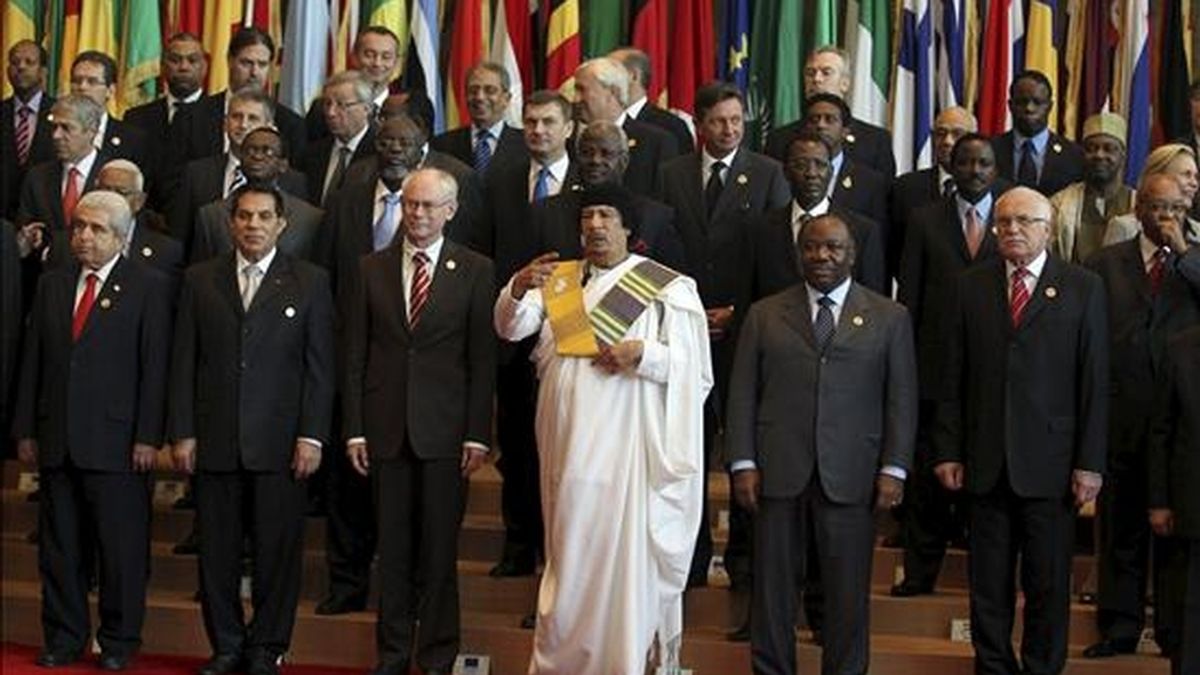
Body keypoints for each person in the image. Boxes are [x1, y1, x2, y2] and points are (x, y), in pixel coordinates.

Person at [495, 184, 711, 674]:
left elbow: (696, 371)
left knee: (620, 558)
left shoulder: (667, 289)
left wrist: (645, 354)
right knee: (570, 555)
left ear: (627, 227)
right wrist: (518, 286)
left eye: (606, 215)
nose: (595, 225)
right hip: (564, 444)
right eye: (588, 215)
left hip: (626, 450)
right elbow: (510, 329)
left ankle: (621, 661)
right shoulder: (560, 282)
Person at [727, 213, 917, 675]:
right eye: (812, 247)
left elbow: (901, 397)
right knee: (772, 591)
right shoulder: (765, 313)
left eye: (833, 248)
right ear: (798, 253)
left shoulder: (889, 317)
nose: (822, 256)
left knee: (847, 592)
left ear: (852, 254)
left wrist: (894, 468)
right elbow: (743, 392)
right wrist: (742, 462)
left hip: (853, 472)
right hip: (777, 469)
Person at [933, 186, 1108, 675]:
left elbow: (1094, 380)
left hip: (1052, 466)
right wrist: (948, 449)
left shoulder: (1082, 286)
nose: (1010, 230)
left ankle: (1042, 668)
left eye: (1023, 222)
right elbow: (952, 375)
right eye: (1003, 222)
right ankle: (992, 667)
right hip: (986, 461)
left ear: (1047, 229)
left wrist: (1090, 463)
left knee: (1048, 584)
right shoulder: (971, 285)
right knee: (987, 585)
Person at [169, 183, 334, 675]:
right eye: (244, 216)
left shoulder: (310, 280)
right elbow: (183, 362)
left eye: (264, 217)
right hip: (214, 439)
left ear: (282, 224)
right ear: (230, 222)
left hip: (282, 445)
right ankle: (225, 645)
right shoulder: (200, 279)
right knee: (216, 555)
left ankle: (267, 647)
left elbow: (319, 369)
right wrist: (182, 431)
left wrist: (312, 436)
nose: (253, 225)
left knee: (277, 556)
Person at [342, 168, 495, 675]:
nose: (419, 215)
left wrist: (477, 432)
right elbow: (355, 355)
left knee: (438, 556)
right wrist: (356, 428)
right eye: (411, 205)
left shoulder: (475, 269)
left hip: (447, 435)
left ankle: (435, 656)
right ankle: (390, 657)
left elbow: (481, 361)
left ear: (451, 210)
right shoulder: (369, 268)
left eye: (430, 206)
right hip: (384, 431)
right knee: (394, 553)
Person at [12, 190, 172, 671]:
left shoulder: (149, 286)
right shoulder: (53, 285)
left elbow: (156, 366)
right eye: (79, 226)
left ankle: (119, 641)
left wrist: (148, 435)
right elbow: (33, 361)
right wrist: (25, 428)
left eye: (97, 229)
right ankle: (64, 636)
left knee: (120, 550)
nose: (83, 236)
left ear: (122, 237)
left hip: (119, 443)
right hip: (57, 437)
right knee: (60, 549)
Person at [658, 81, 789, 595]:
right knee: (686, 450)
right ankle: (689, 559)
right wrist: (688, 311)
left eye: (737, 121)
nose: (730, 129)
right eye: (719, 121)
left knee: (742, 447)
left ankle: (744, 563)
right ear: (699, 123)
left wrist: (738, 312)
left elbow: (777, 255)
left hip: (745, 332)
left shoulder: (768, 173)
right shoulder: (671, 175)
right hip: (683, 333)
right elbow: (658, 247)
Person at [1084, 173, 1200, 660]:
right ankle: (1119, 626)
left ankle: (1174, 631)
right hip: (1123, 416)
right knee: (1122, 528)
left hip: (1181, 424)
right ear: (1138, 209)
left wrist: (1186, 252)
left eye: (1174, 207)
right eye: (1156, 207)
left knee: (1178, 537)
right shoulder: (1105, 264)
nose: (1165, 216)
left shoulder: (1195, 263)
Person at [893, 133, 1005, 597]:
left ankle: (989, 579)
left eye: (984, 163)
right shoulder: (925, 220)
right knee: (926, 483)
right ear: (951, 167)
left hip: (995, 373)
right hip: (935, 370)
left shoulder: (1013, 217)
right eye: (966, 162)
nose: (975, 171)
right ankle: (920, 574)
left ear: (995, 170)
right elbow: (911, 300)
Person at [479, 90, 576, 579]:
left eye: (548, 123)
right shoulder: (499, 180)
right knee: (516, 448)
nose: (538, 131)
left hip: (570, 342)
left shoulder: (587, 184)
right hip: (512, 334)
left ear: (568, 128)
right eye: (531, 123)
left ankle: (562, 554)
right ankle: (519, 545)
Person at [751, 130, 887, 299]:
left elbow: (872, 303)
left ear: (831, 171)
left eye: (820, 165)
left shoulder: (862, 230)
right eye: (801, 165)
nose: (811, 173)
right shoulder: (759, 229)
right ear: (785, 172)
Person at [1148, 326, 1200, 675]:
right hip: (1191, 504)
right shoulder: (1179, 345)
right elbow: (1160, 431)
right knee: (1191, 613)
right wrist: (1159, 500)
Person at [192, 127, 325, 264]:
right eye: (250, 150)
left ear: (283, 165)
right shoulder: (211, 216)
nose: (257, 156)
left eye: (267, 151)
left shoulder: (310, 218)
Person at [764, 46, 896, 179]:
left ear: (845, 83)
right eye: (810, 73)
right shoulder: (779, 140)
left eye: (826, 72)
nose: (816, 79)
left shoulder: (875, 141)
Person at [573, 57, 679, 197]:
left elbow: (665, 202)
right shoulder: (571, 141)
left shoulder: (657, 143)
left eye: (582, 90)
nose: (575, 99)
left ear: (612, 92)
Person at [891, 106, 977, 271]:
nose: (947, 141)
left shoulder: (998, 191)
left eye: (957, 134)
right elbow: (895, 248)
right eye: (941, 133)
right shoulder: (906, 187)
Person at [1049, 113, 1135, 262]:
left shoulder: (1137, 203)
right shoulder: (1060, 203)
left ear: (1123, 155)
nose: (1099, 155)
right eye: (1091, 148)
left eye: (1109, 149)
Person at [991, 70, 1085, 196]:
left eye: (1037, 102)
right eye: (1022, 102)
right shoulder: (991, 149)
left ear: (1050, 107)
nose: (1029, 108)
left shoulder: (1074, 155)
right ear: (1010, 105)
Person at [430, 61, 527, 177]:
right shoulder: (442, 145)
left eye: (490, 90)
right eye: (473, 90)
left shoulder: (525, 144)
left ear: (506, 98)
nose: (479, 97)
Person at [302, 71, 378, 206]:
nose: (331, 113)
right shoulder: (313, 152)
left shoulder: (378, 151)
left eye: (341, 105)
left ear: (366, 108)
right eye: (327, 104)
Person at [1105, 144, 1200, 246]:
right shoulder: (1124, 228)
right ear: (1159, 177)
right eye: (1186, 175)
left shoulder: (1198, 232)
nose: (1194, 183)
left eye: (1196, 177)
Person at [2, 40, 55, 220]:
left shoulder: (61, 113)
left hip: (44, 218)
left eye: (29, 62)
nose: (21, 67)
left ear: (43, 71)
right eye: (15, 62)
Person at [608, 47, 694, 151]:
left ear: (633, 76)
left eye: (611, 73)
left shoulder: (671, 126)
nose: (606, 80)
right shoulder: (602, 122)